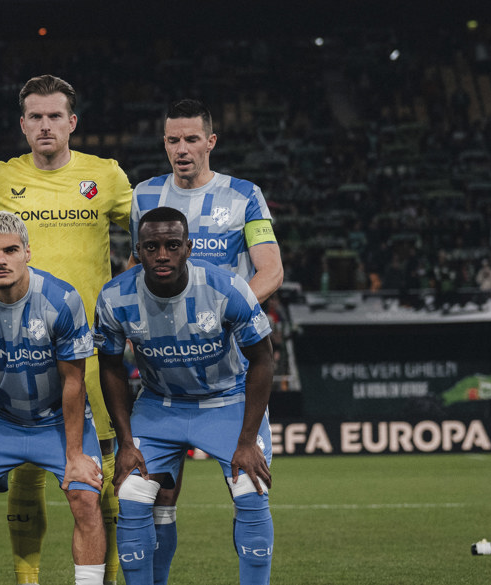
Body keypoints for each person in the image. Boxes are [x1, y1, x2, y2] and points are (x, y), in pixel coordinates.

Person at [0, 74, 132, 585]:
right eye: (35, 116)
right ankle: (28, 580)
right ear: (22, 125)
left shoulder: (105, 175)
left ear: (72, 122)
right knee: (26, 471)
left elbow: (153, 235)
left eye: (54, 116)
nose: (45, 125)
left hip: (90, 349)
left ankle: (104, 578)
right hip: (18, 352)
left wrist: (129, 296)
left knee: (100, 469)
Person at [130, 98, 284, 585]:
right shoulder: (144, 194)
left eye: (192, 139)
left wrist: (225, 315)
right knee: (154, 496)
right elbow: (137, 269)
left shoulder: (244, 196)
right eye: (173, 140)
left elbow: (270, 270)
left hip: (227, 377)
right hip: (162, 381)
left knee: (248, 489)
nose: (182, 149)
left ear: (210, 141)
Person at [97, 206, 275, 585]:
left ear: (189, 248)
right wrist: (125, 442)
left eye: (172, 245)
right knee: (131, 495)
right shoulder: (114, 297)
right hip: (160, 404)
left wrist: (247, 441)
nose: (162, 255)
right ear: (138, 251)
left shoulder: (226, 288)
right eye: (151, 247)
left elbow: (263, 360)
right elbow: (110, 367)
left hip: (227, 400)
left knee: (250, 489)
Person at [0, 211, 105, 585]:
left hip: (56, 420)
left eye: (10, 250)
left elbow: (73, 381)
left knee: (86, 499)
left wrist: (75, 455)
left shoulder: (62, 299)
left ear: (27, 252)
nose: (0, 260)